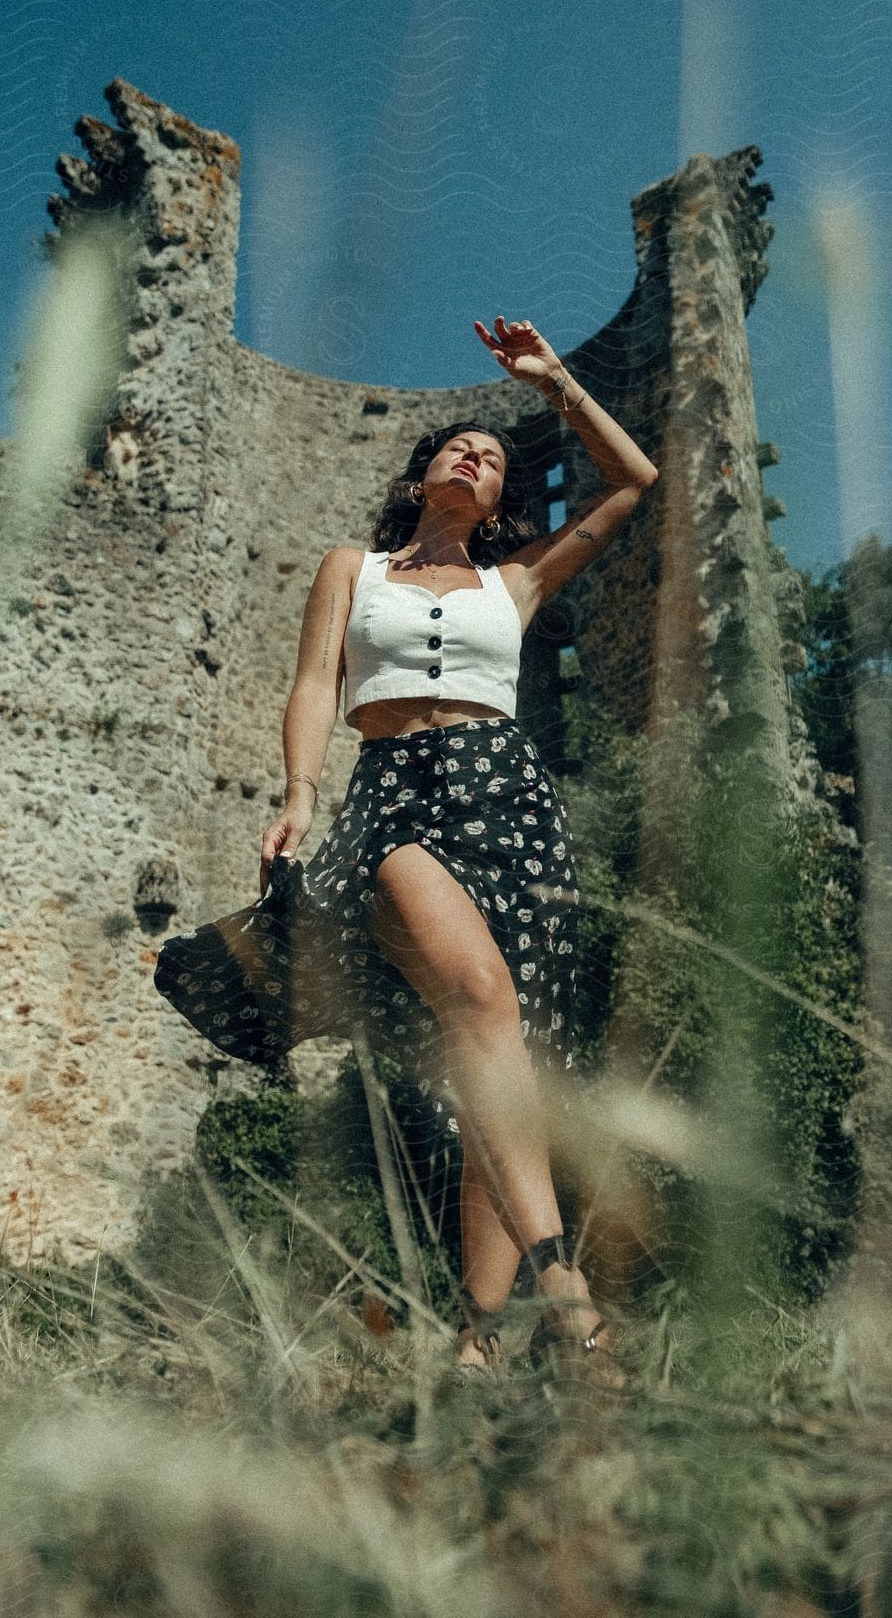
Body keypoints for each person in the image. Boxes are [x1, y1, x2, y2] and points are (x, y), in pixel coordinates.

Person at [260, 316, 658, 1374]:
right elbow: (314, 685)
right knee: (480, 1005)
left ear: (496, 499)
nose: (473, 455)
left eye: (490, 456)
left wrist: (554, 383)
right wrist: (301, 792)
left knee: (495, 1059)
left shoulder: (514, 583)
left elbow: (630, 482)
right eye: (456, 446)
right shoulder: (353, 568)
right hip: (394, 796)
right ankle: (563, 1284)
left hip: (507, 803)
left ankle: (478, 1343)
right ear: (421, 473)